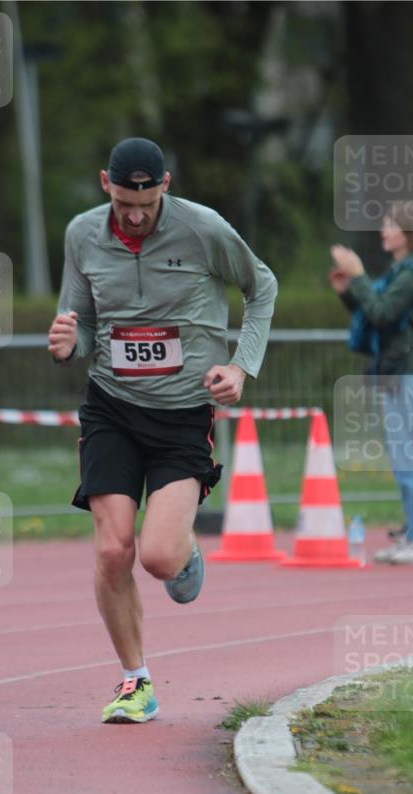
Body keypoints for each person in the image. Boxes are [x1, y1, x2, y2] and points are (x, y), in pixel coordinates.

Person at [48, 137, 278, 724]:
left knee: (155, 556)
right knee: (111, 550)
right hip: (112, 408)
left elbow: (262, 287)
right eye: (125, 202)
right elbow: (81, 325)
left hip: (182, 415)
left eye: (146, 205)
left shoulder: (204, 229)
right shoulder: (82, 235)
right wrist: (67, 344)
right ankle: (135, 681)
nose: (134, 215)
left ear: (166, 186)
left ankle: (182, 552)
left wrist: (240, 366)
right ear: (107, 184)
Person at [329, 201, 413, 565]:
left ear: (408, 233)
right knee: (402, 455)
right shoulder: (400, 271)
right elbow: (373, 312)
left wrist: (359, 275)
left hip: (411, 373)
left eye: (390, 225)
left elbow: (381, 312)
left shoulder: (412, 274)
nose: (383, 231)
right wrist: (349, 292)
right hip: (398, 373)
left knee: (411, 455)